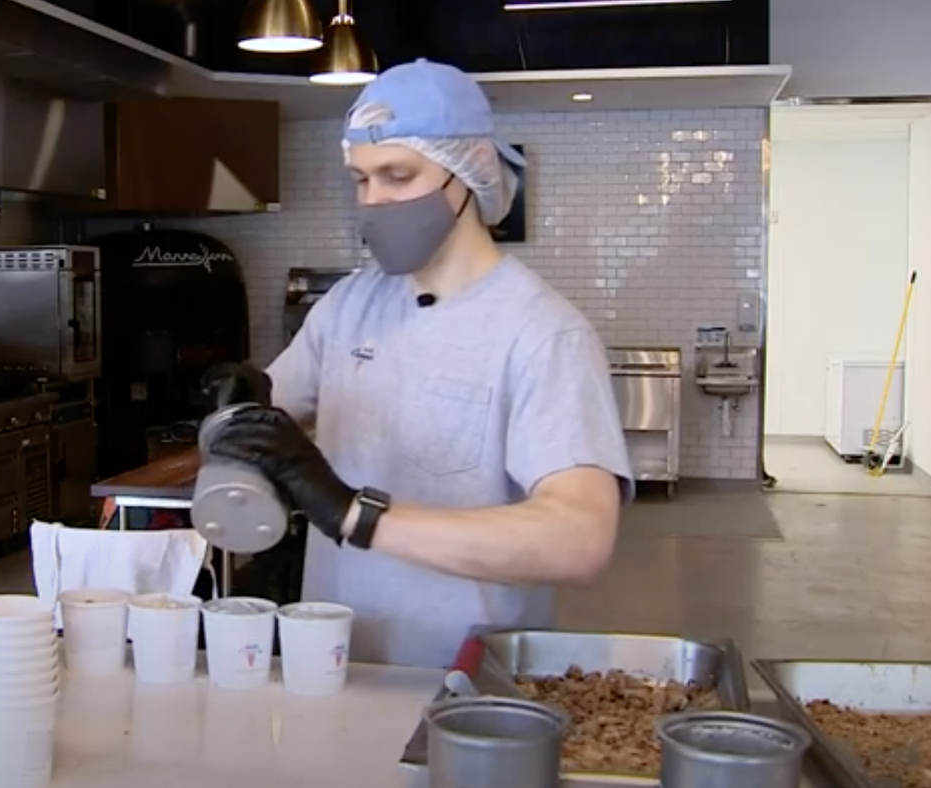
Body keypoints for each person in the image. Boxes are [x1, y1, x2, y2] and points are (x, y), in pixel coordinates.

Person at [204, 58, 634, 670]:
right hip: (335, 662)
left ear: (467, 175)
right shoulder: (352, 303)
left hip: (463, 680)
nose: (374, 201)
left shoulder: (542, 333)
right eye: (361, 179)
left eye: (398, 176)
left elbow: (578, 539)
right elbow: (272, 420)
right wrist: (240, 408)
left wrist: (355, 513)